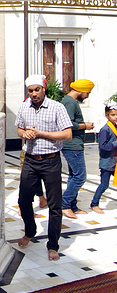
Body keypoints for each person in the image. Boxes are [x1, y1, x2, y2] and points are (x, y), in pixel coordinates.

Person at [16, 74, 72, 261]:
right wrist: (27, 133)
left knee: (55, 205)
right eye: (30, 91)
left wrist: (41, 134)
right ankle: (30, 231)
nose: (34, 94)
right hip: (31, 160)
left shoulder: (57, 108)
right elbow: (19, 130)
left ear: (44, 88)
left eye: (37, 90)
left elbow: (67, 135)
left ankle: (53, 245)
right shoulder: (24, 106)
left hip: (50, 160)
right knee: (23, 200)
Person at [61, 79, 95, 219]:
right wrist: (85, 125)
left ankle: (72, 206)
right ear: (81, 90)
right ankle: (65, 205)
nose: (87, 96)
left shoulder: (70, 101)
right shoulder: (70, 102)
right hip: (72, 144)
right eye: (87, 92)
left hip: (73, 143)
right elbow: (67, 123)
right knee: (80, 176)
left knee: (74, 175)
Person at [90, 103, 117, 213]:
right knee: (104, 185)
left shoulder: (115, 127)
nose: (116, 117)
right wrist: (115, 143)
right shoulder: (105, 129)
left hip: (114, 161)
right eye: (113, 115)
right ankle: (94, 203)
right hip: (107, 163)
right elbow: (103, 146)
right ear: (107, 115)